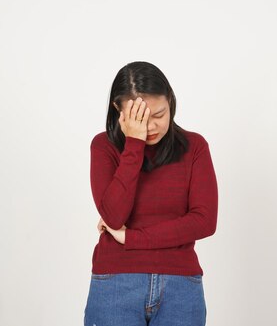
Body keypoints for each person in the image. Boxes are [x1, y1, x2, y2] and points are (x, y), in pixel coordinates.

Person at [83, 61, 218, 326]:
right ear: (118, 111)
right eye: (140, 119)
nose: (151, 127)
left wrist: (132, 237)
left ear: (171, 103)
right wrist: (134, 143)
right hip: (115, 285)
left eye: (159, 115)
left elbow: (204, 221)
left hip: (181, 288)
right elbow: (114, 215)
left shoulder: (195, 147)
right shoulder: (104, 147)